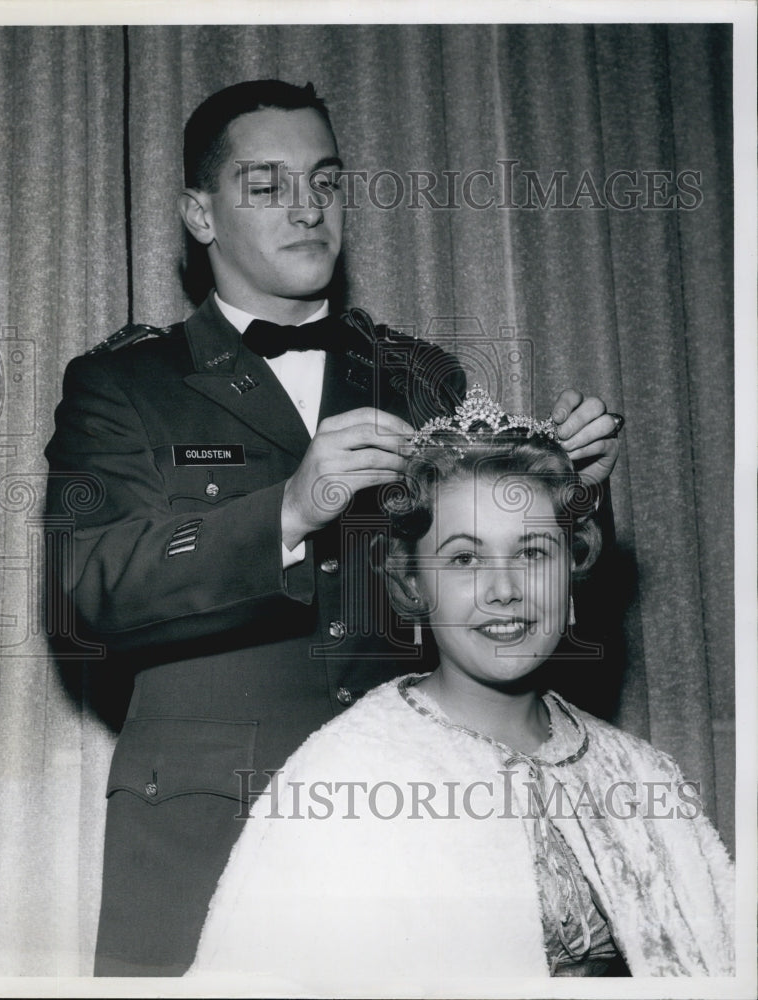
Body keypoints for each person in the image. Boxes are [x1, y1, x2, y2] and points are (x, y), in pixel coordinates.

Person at [44, 79, 622, 976]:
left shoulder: (422, 376)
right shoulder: (123, 385)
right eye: (267, 185)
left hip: (413, 817)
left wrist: (564, 499)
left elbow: (501, 604)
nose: (308, 208)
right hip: (208, 829)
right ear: (200, 215)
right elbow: (88, 592)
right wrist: (285, 509)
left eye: (325, 180)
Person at [190, 385, 734, 989]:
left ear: (572, 573)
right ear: (415, 587)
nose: (504, 589)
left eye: (532, 552)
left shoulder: (640, 773)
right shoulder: (349, 773)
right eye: (465, 560)